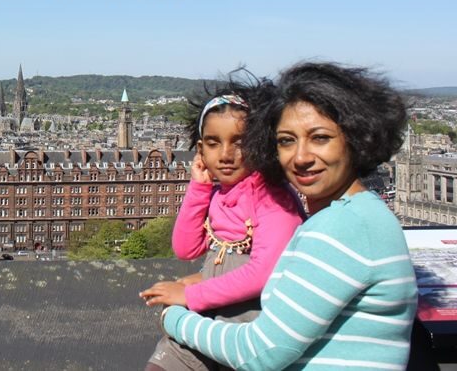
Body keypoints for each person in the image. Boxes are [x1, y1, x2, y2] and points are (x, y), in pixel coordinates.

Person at [158, 63, 418, 370]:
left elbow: (261, 353)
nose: (301, 157)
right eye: (286, 141)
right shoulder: (362, 213)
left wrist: (174, 317)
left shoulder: (342, 226)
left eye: (320, 138)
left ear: (355, 137)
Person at [141, 87, 304, 371]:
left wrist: (190, 294)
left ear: (259, 144)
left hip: (249, 327)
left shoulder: (271, 197)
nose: (226, 154)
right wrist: (199, 186)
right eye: (214, 143)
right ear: (201, 149)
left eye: (239, 142)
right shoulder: (219, 194)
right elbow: (185, 248)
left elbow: (263, 274)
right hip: (211, 316)